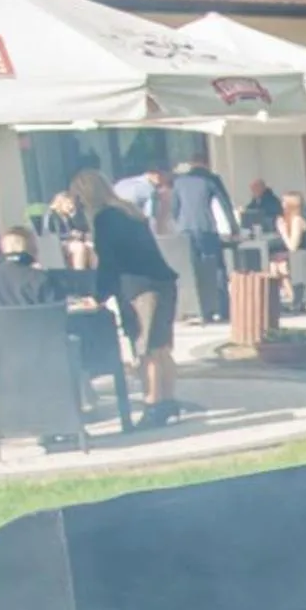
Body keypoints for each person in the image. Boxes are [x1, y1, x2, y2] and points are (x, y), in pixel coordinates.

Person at [75, 169, 181, 429]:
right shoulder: (130, 211)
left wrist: (99, 296)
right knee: (162, 348)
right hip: (163, 281)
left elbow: (109, 262)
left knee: (146, 351)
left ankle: (153, 405)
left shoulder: (104, 219)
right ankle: (168, 401)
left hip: (139, 287)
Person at [170, 153, 233, 323]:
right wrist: (233, 228)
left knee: (193, 270)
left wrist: (179, 224)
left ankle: (201, 310)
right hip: (206, 228)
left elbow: (174, 209)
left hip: (185, 230)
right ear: (205, 163)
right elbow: (225, 204)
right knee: (217, 268)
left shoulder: (179, 182)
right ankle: (223, 308)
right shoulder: (211, 180)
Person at [0, 227, 64, 308]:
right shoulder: (40, 278)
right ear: (32, 249)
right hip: (36, 325)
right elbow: (56, 311)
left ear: (3, 249)